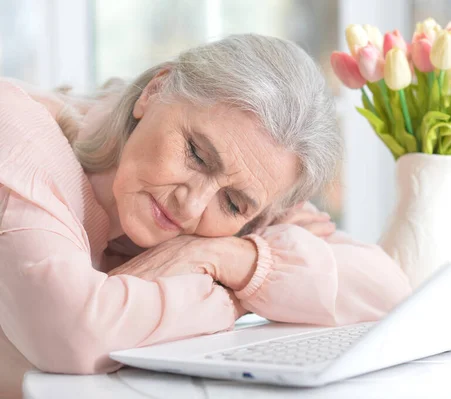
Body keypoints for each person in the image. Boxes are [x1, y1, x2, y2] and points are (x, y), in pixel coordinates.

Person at [0, 34, 411, 396]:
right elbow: (74, 333)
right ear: (155, 91)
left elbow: (389, 291)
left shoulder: (252, 181)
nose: (192, 205)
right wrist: (235, 297)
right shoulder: (18, 128)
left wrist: (235, 259)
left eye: (232, 203)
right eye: (196, 155)